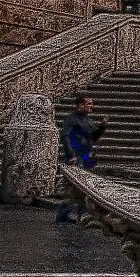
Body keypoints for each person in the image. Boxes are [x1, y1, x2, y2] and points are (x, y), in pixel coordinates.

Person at [54, 94, 105, 224]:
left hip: (85, 156)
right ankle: (65, 214)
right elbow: (65, 137)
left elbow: (94, 137)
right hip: (76, 156)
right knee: (75, 187)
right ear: (80, 105)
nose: (91, 106)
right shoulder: (71, 119)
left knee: (82, 187)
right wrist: (71, 155)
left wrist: (102, 127)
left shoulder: (88, 120)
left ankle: (78, 215)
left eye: (91, 104)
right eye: (88, 104)